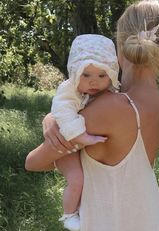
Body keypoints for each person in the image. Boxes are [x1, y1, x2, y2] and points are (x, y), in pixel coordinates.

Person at [26, 0, 159, 231]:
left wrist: (52, 121)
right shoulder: (152, 100)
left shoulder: (112, 107)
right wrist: (52, 119)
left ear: (121, 43)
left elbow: (34, 162)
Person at [25, 34, 120, 231]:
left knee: (85, 183)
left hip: (82, 151)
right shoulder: (69, 91)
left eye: (101, 76)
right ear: (74, 73)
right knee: (77, 179)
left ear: (111, 74)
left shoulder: (112, 94)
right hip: (68, 143)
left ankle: (79, 211)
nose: (93, 82)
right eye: (86, 75)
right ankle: (68, 216)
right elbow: (62, 112)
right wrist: (82, 137)